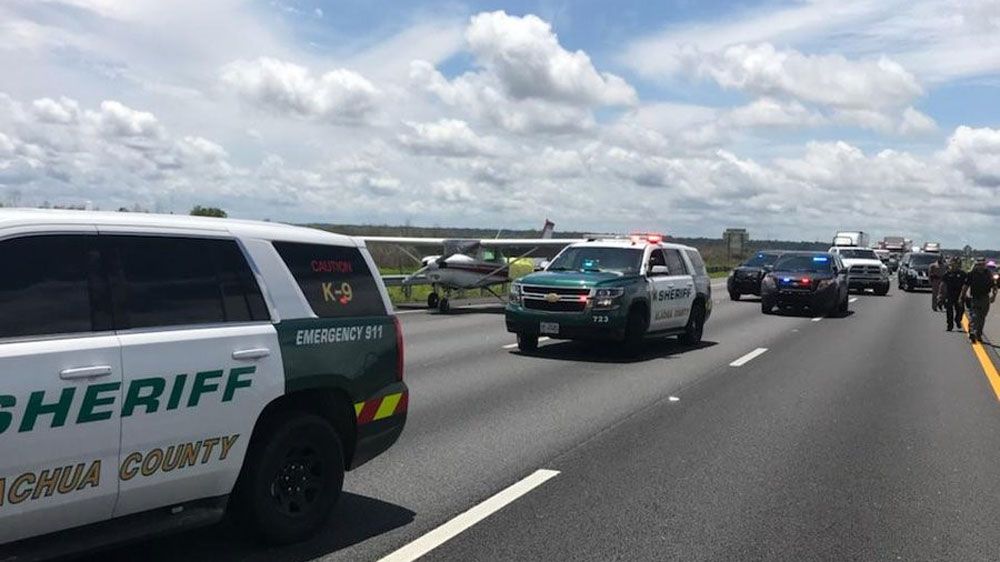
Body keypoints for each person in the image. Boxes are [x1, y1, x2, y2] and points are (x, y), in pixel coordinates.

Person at [961, 257, 998, 343]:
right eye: (979, 264)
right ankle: (972, 333)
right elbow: (965, 286)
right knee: (974, 316)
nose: (981, 266)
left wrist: (993, 296)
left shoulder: (988, 274)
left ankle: (978, 333)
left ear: (985, 265)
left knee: (982, 317)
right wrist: (962, 296)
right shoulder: (971, 274)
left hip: (985, 298)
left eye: (982, 264)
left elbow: (994, 287)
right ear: (976, 265)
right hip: (975, 298)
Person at [941, 257, 967, 331]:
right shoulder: (947, 274)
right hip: (949, 294)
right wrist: (941, 295)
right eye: (952, 263)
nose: (953, 265)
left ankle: (958, 320)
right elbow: (942, 284)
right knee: (949, 310)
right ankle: (950, 325)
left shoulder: (963, 274)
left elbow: (967, 284)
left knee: (960, 310)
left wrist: (965, 294)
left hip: (959, 294)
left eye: (955, 263)